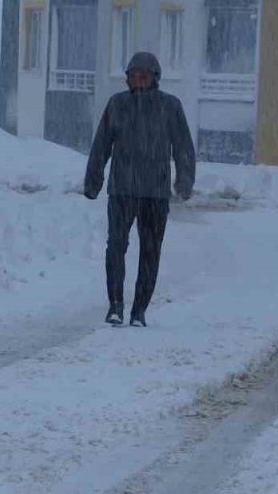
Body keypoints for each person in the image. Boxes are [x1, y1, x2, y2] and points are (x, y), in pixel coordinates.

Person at [84, 51, 196, 327]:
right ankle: (115, 305)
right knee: (116, 248)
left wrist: (184, 181)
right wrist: (93, 181)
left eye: (143, 76)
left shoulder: (170, 106)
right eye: (133, 76)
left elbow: (183, 147)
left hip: (155, 194)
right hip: (122, 189)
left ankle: (139, 310)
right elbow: (101, 146)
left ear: (154, 78)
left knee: (150, 251)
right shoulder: (117, 104)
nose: (138, 81)